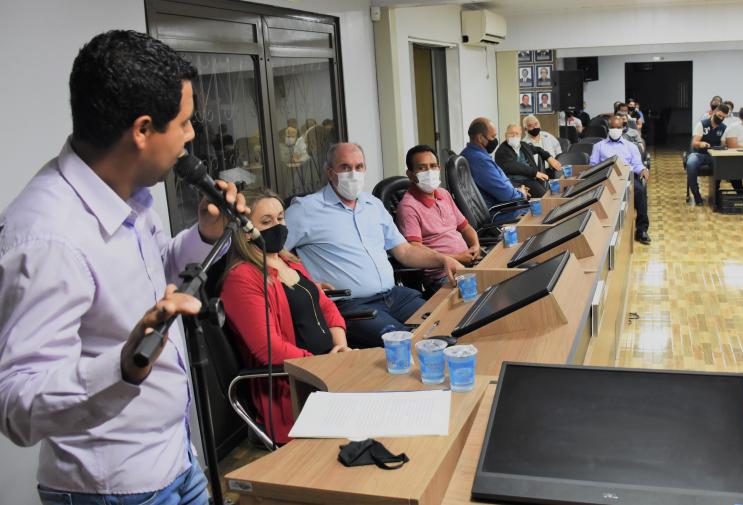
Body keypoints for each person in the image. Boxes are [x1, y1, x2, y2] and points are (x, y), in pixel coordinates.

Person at [0, 30, 250, 505]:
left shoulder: (127, 195)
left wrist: (205, 235)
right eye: (184, 122)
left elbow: (158, 280)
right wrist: (123, 366)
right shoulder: (48, 238)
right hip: (116, 490)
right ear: (142, 130)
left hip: (175, 457)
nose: (191, 135)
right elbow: (16, 406)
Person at [284, 143, 462, 348]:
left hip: (395, 297)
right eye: (345, 167)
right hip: (353, 306)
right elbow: (270, 256)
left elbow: (404, 251)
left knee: (449, 325)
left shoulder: (373, 204)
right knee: (410, 344)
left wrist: (442, 259)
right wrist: (304, 284)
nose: (353, 173)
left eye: (359, 167)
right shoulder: (305, 209)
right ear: (330, 172)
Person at [220, 189, 350, 445]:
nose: (278, 226)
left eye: (280, 218)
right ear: (245, 231)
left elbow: (325, 306)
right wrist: (322, 366)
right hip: (296, 389)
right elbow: (269, 349)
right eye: (266, 221)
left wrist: (341, 347)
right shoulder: (242, 278)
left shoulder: (288, 260)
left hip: (331, 369)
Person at [396, 145, 482, 294]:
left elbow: (466, 227)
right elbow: (415, 249)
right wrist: (458, 257)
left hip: (469, 263)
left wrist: (475, 245)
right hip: (443, 275)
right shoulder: (408, 207)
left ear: (439, 168)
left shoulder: (444, 194)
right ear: (410, 174)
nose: (429, 172)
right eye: (422, 168)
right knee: (481, 296)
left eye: (433, 166)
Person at [589, 115, 651, 244]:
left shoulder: (631, 146)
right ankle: (599, 231)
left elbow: (637, 165)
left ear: (623, 128)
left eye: (618, 127)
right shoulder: (599, 146)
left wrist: (643, 170)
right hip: (606, 179)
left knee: (640, 191)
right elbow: (593, 166)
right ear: (608, 129)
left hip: (627, 177)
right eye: (612, 127)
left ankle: (642, 230)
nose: (615, 130)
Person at [462, 118, 530, 221]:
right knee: (538, 212)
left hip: (501, 206)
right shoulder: (479, 160)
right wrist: (521, 194)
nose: (495, 140)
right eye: (493, 136)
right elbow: (507, 195)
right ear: (480, 138)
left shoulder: (471, 154)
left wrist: (516, 191)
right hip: (499, 213)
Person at [685, 104, 734, 205]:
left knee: (721, 165)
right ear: (715, 112)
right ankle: (697, 196)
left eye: (723, 117)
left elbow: (724, 144)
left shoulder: (723, 127)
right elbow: (694, 142)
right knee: (690, 164)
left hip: (715, 155)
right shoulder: (702, 124)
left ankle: (715, 193)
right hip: (699, 154)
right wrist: (701, 143)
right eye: (719, 115)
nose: (721, 119)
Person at [495, 124, 562, 197]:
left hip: (529, 179)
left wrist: (549, 158)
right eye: (511, 133)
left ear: (520, 135)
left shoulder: (524, 145)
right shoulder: (501, 151)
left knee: (544, 196)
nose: (514, 136)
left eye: (517, 133)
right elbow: (514, 166)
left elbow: (538, 149)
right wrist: (535, 173)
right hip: (512, 182)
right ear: (505, 135)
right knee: (522, 199)